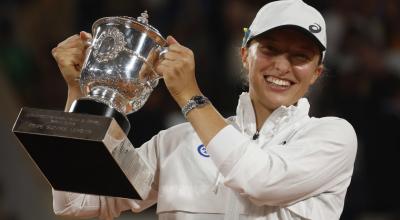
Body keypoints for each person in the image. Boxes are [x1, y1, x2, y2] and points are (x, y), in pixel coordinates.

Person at [51, 0, 357, 219]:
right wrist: (80, 91)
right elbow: (77, 205)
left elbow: (257, 180)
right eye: (270, 49)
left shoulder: (331, 137)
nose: (281, 65)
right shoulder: (175, 142)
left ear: (316, 73)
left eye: (300, 56)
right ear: (244, 56)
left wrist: (189, 94)